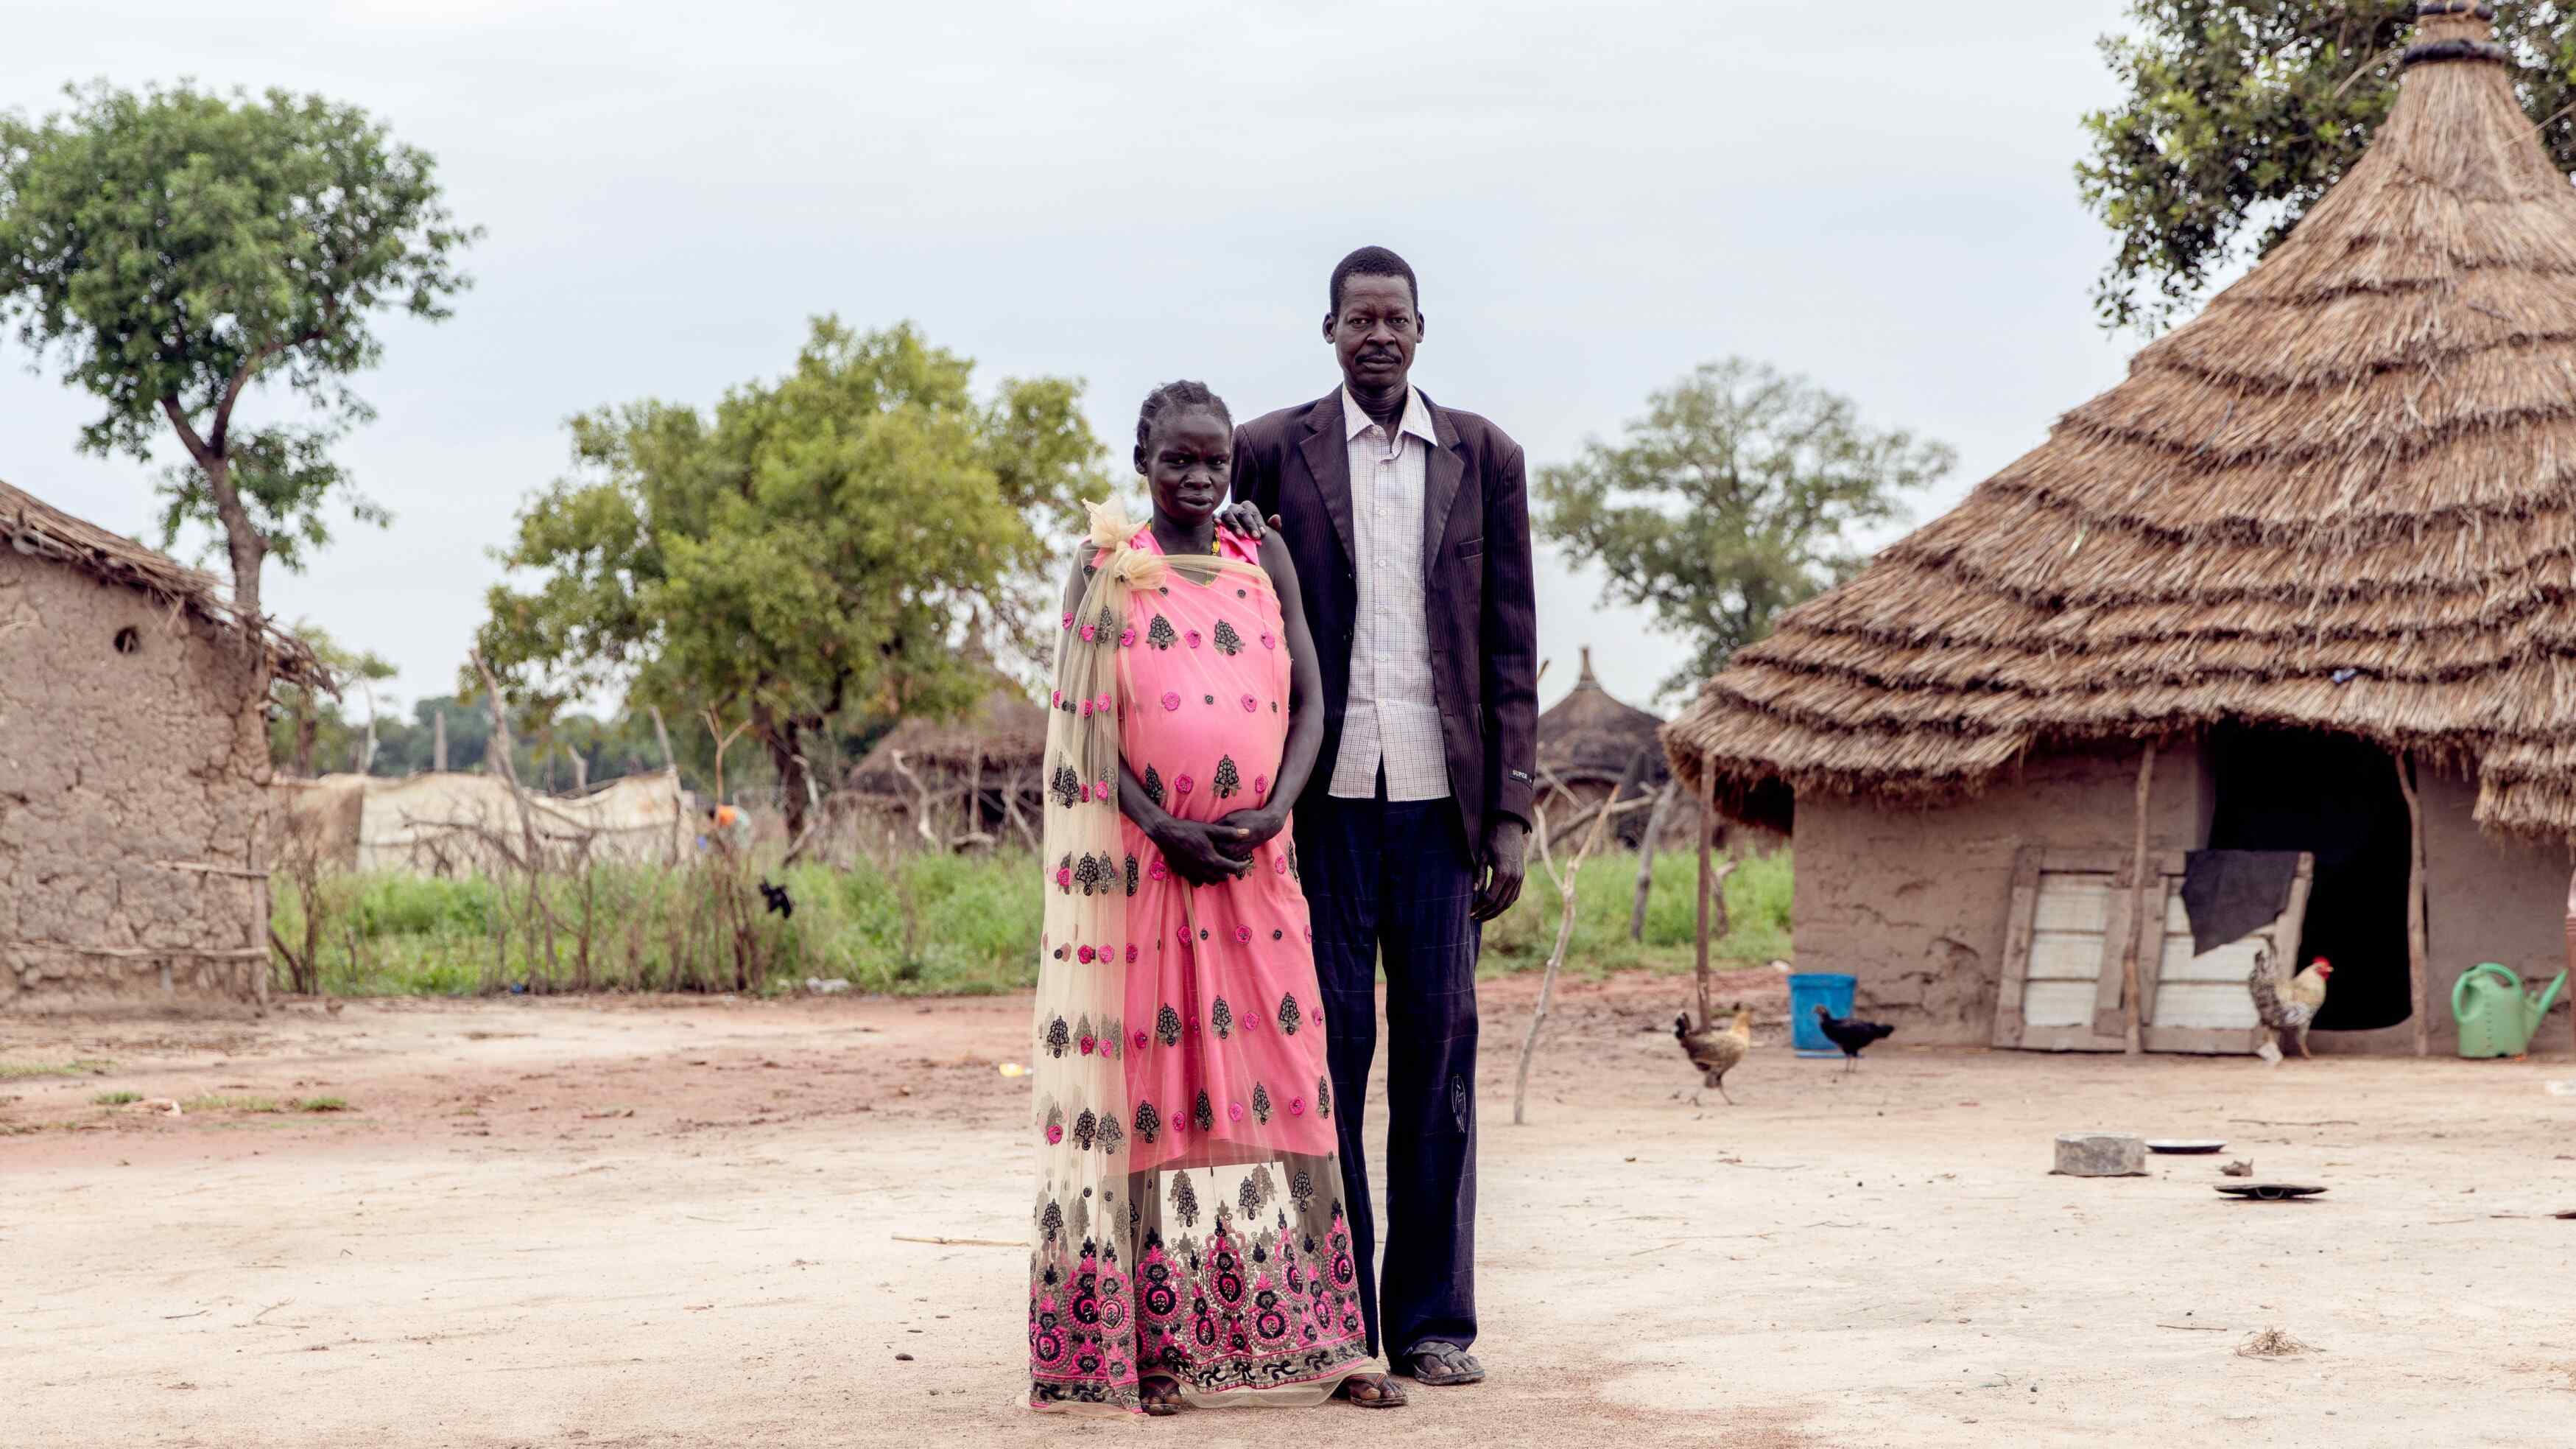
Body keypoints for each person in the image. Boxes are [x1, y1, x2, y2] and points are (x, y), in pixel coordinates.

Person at [1024, 382, 1387, 1414]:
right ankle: (1158, 1355)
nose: (1196, 478)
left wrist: (1275, 808)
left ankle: (1328, 1342)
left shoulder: (1257, 557)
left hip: (1256, 871)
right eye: (1176, 460)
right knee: (1154, 1107)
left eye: (1213, 461)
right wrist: (1162, 827)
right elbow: (1080, 730)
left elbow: (1315, 697)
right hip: (1146, 879)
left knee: (1291, 1083)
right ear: (1141, 460)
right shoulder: (1105, 568)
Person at [1222, 245, 1538, 1397]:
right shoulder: (1269, 450)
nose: (1377, 336)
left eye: (1394, 319)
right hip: (1321, 811)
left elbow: (1509, 649)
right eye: (1357, 319)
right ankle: (1334, 1317)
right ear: (1327, 331)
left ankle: (1433, 1322)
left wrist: (1507, 814)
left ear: (1420, 328)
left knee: (1439, 1064)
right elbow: (1225, 606)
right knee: (1327, 1061)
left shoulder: (1484, 458)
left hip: (1442, 814)